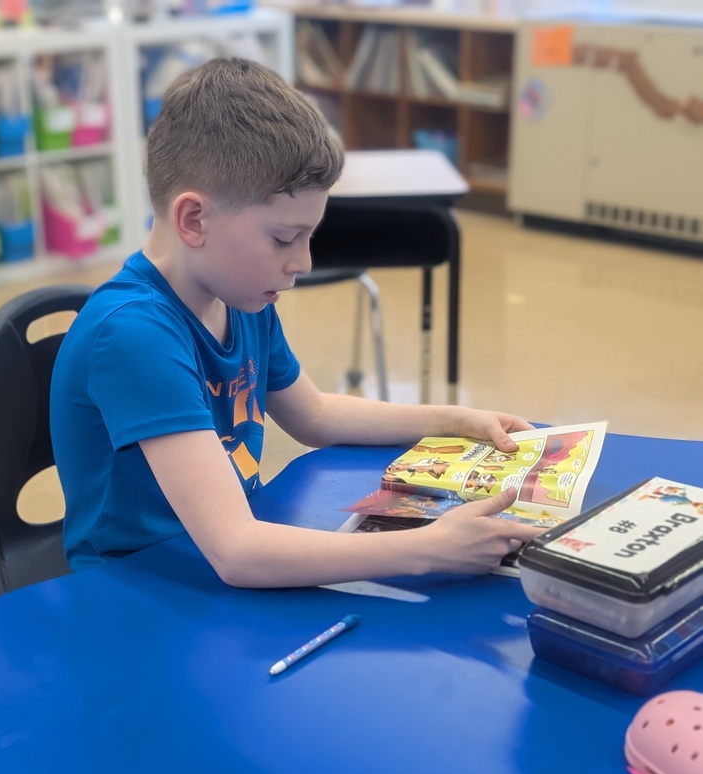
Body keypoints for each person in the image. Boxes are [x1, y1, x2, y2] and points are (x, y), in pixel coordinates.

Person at [50, 57, 543, 587]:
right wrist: (427, 549)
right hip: (133, 589)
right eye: (285, 239)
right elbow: (238, 551)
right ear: (194, 220)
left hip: (211, 562)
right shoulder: (135, 334)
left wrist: (455, 420)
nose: (303, 262)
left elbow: (316, 416)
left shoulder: (241, 297)